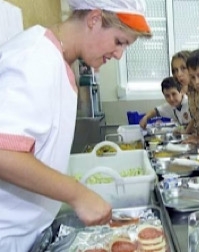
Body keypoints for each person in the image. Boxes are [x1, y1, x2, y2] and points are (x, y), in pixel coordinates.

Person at [0, 0, 151, 250]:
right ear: (94, 19)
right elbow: (4, 152)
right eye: (119, 41)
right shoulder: (36, 59)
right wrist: (77, 194)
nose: (119, 54)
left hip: (28, 234)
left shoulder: (56, 61)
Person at [171, 50, 199, 137]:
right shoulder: (190, 91)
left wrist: (198, 140)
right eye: (175, 70)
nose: (178, 74)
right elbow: (195, 117)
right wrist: (186, 132)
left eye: (183, 68)